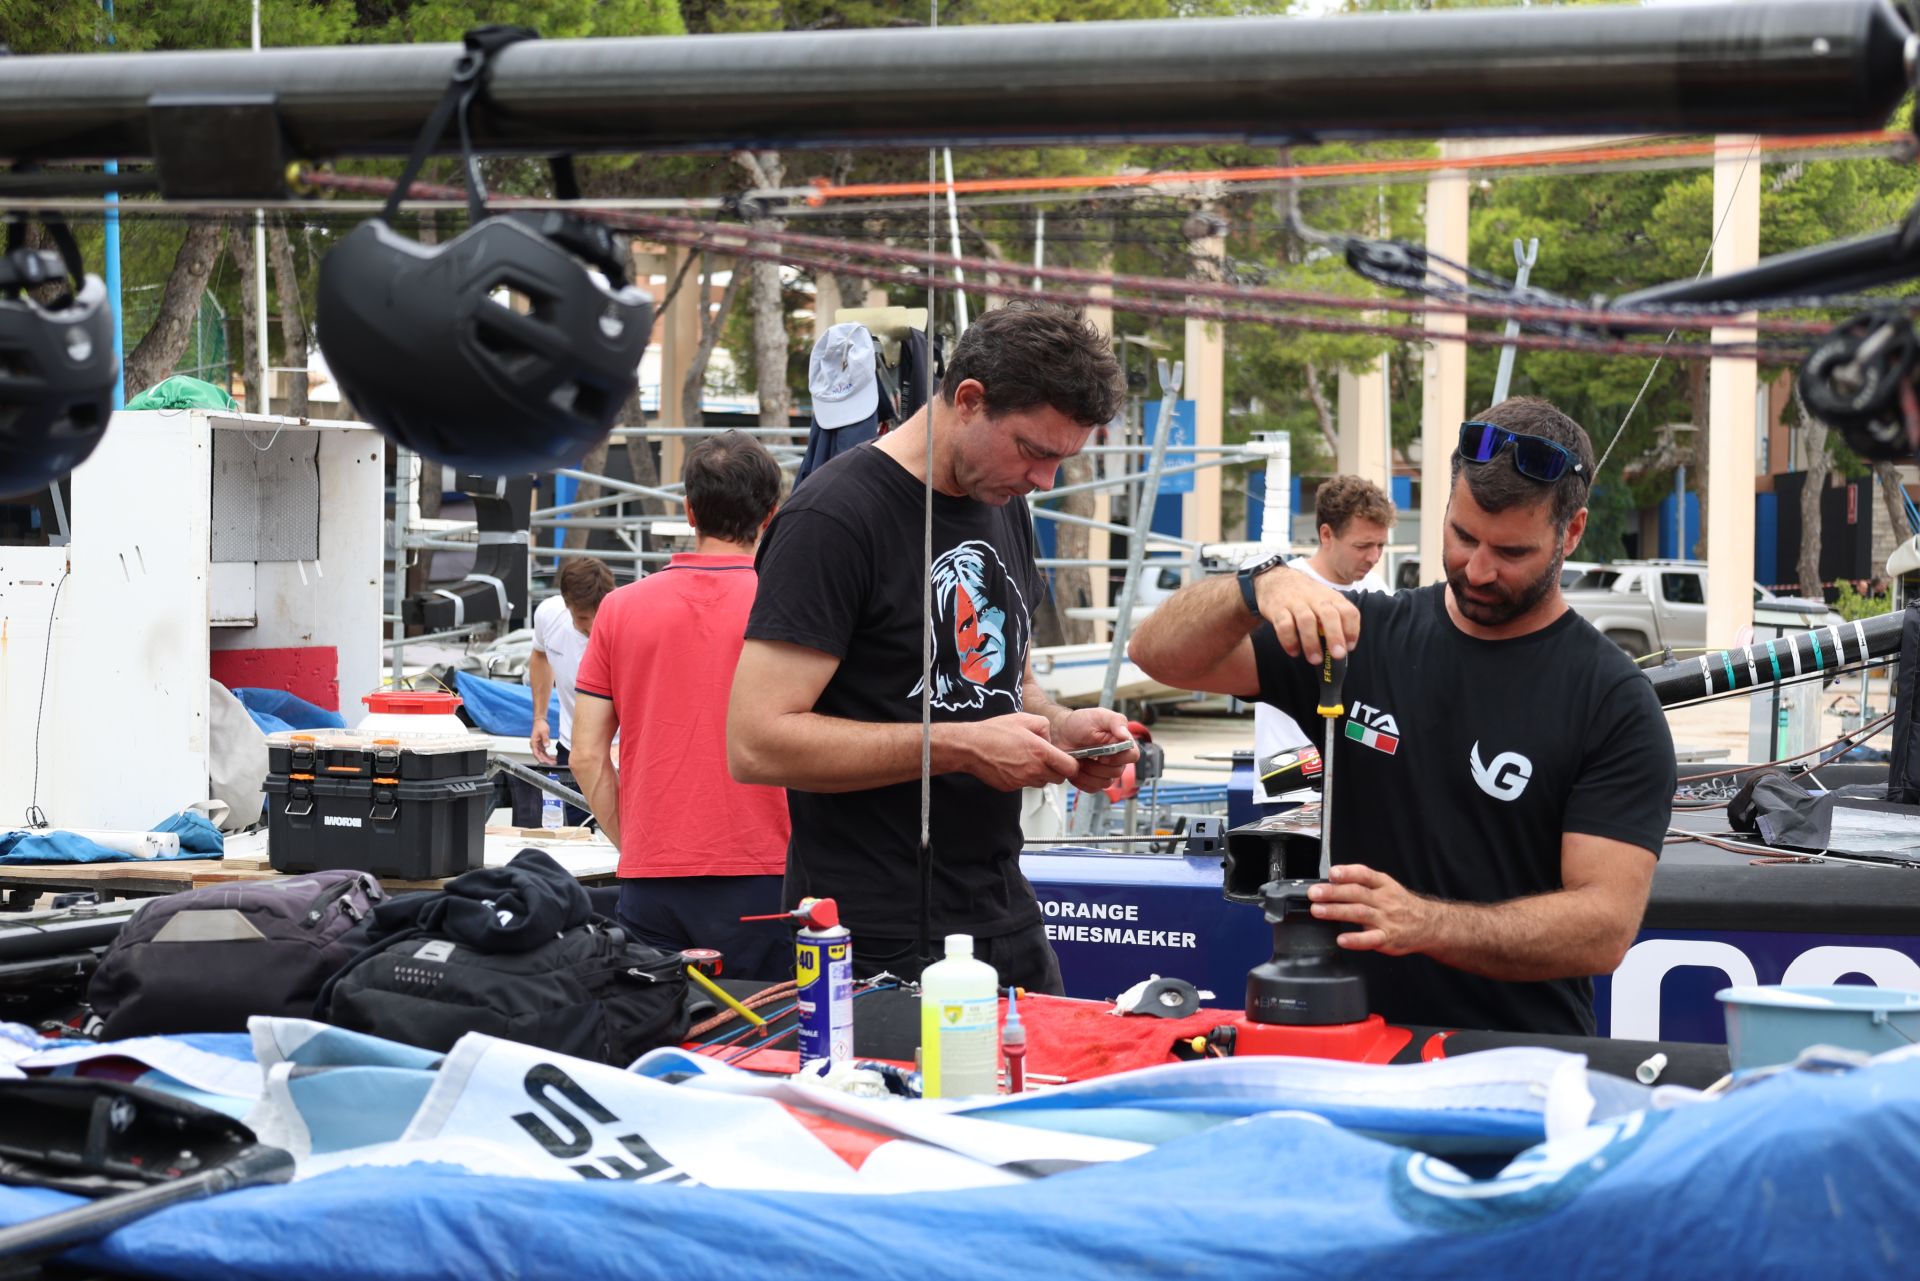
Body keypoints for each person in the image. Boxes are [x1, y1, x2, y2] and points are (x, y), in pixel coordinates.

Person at [1128, 397, 1674, 1036]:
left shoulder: (1612, 700)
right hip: (1349, 1046)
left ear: (1571, 533)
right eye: (1463, 536)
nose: (1478, 568)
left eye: (1512, 551)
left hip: (1514, 1063)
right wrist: (1256, 587)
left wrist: (1426, 923)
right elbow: (1157, 655)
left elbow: (1604, 928)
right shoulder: (1362, 636)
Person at [727, 304, 1138, 994]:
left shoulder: (1001, 496)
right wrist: (961, 746)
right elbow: (755, 743)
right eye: (1035, 451)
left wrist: (1061, 730)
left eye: (1064, 460)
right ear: (969, 399)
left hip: (1002, 908)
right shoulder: (833, 518)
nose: (1045, 482)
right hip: (869, 934)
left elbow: (1013, 681)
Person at [571, 432, 794, 980]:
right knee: (767, 1044)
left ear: (689, 510)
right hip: (767, 870)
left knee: (657, 1035)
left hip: (653, 877)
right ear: (770, 514)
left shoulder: (619, 609)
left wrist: (641, 843)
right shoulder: (789, 605)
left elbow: (585, 755)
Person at [1253, 475, 1397, 796]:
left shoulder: (1378, 591)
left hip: (1352, 777)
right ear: (1326, 534)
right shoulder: (1283, 588)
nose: (1374, 557)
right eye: (1362, 546)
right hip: (1286, 775)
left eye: (1380, 545)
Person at [528, 556, 614, 825]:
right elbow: (540, 656)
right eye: (583, 618)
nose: (592, 627)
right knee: (577, 839)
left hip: (621, 751)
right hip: (572, 750)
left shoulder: (629, 625)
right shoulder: (548, 614)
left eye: (598, 616)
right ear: (566, 605)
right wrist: (539, 717)